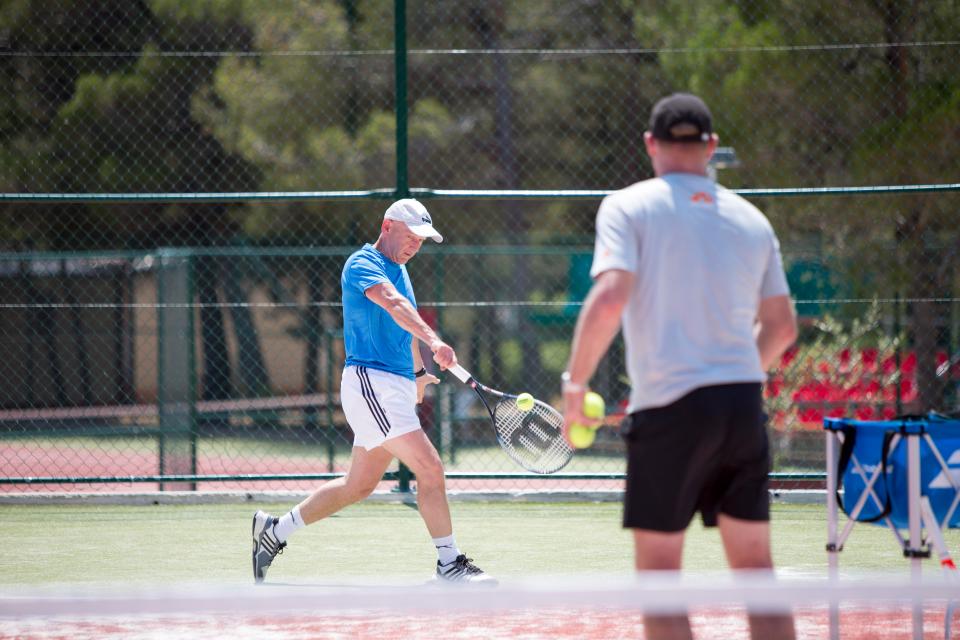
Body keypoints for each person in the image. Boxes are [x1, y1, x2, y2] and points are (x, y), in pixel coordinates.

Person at [561, 93, 798, 640]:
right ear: (711, 147)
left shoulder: (627, 206)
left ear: (651, 145)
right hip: (742, 407)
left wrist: (575, 384)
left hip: (670, 411)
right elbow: (783, 326)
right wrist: (734, 372)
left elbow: (611, 298)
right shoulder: (753, 220)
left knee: (662, 581)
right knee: (757, 572)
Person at [251, 198, 495, 585]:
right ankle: (449, 564)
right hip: (371, 383)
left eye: (422, 239)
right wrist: (436, 340)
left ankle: (274, 531)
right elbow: (395, 305)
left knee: (358, 486)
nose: (417, 244)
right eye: (412, 235)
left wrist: (417, 373)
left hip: (393, 387)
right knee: (430, 467)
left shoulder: (401, 270)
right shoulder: (362, 264)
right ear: (387, 226)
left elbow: (404, 324)